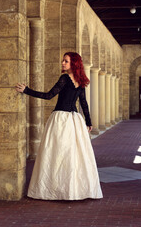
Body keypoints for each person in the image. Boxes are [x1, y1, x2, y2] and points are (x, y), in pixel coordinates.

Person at [15, 52, 103, 200]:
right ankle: (71, 189)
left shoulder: (64, 79)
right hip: (75, 120)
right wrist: (88, 121)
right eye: (63, 60)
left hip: (61, 120)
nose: (62, 63)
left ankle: (56, 189)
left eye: (66, 61)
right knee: (71, 154)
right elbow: (84, 104)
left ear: (73, 63)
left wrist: (26, 90)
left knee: (56, 153)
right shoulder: (80, 81)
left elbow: (49, 95)